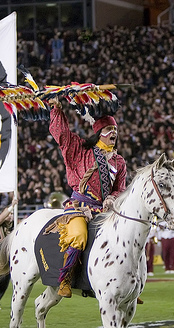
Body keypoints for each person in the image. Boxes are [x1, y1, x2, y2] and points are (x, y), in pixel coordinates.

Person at [48, 99, 127, 298]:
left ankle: (125, 282)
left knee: (123, 237)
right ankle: (65, 279)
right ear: (99, 133)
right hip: (79, 206)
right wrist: (56, 109)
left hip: (104, 210)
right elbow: (62, 135)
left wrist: (112, 197)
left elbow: (121, 189)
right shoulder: (81, 150)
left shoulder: (119, 161)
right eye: (109, 129)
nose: (114, 133)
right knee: (79, 236)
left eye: (115, 130)